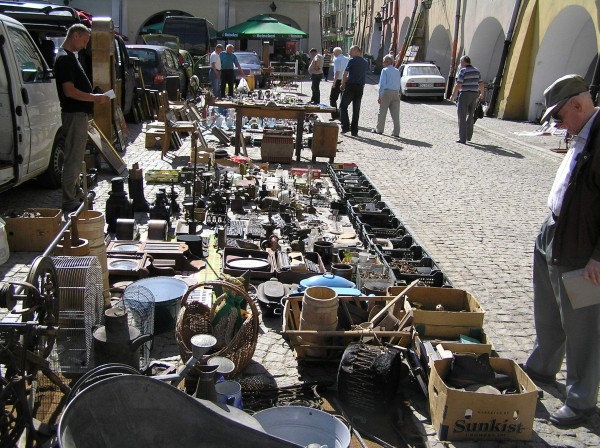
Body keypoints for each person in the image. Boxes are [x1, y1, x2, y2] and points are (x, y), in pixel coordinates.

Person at [522, 74, 600, 427]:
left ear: (577, 105)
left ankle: (582, 398)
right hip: (554, 230)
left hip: (582, 246)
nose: (557, 124)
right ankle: (543, 365)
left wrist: (598, 257)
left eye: (559, 115)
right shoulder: (581, 132)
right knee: (549, 309)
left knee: (583, 323)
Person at [54, 23, 109, 212]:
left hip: (78, 114)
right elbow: (69, 91)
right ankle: (69, 199)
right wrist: (94, 98)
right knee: (73, 157)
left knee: (76, 157)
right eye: (84, 41)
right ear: (75, 36)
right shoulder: (64, 59)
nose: (85, 46)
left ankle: (75, 193)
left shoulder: (70, 57)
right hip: (74, 114)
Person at [449, 55, 484, 144]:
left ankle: (462, 138)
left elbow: (458, 84)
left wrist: (453, 96)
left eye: (461, 62)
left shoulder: (463, 71)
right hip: (474, 95)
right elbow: (481, 83)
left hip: (464, 94)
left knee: (462, 116)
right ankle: (469, 136)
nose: (460, 64)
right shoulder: (477, 70)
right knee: (471, 115)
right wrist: (482, 93)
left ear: (464, 62)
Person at [339, 45, 369, 137]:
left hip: (351, 86)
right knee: (356, 109)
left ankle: (345, 126)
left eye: (351, 51)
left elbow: (345, 73)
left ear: (356, 51)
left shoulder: (352, 60)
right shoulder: (365, 62)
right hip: (360, 87)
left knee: (343, 106)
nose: (349, 53)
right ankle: (354, 130)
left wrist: (343, 84)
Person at [373, 54, 401, 137]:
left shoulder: (385, 70)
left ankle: (379, 129)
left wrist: (380, 95)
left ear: (387, 62)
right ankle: (396, 132)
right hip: (396, 92)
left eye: (384, 62)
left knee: (382, 112)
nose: (383, 64)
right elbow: (398, 83)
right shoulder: (397, 71)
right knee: (395, 114)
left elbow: (382, 84)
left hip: (387, 92)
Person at [329, 47, 349, 121]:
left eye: (334, 53)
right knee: (343, 99)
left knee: (333, 98)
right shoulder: (347, 59)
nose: (333, 54)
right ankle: (342, 115)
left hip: (338, 80)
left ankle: (335, 115)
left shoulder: (337, 60)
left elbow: (337, 72)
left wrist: (334, 82)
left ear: (336, 52)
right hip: (346, 80)